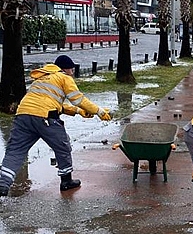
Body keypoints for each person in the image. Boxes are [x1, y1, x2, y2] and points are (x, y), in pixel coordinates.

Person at [0, 55, 112, 196]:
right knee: (62, 146)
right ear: (65, 69)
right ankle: (66, 182)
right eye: (72, 70)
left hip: (23, 115)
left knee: (15, 150)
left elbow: (53, 102)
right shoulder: (64, 77)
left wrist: (78, 112)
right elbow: (78, 99)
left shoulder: (41, 78)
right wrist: (99, 111)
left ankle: (3, 185)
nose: (72, 73)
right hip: (46, 118)